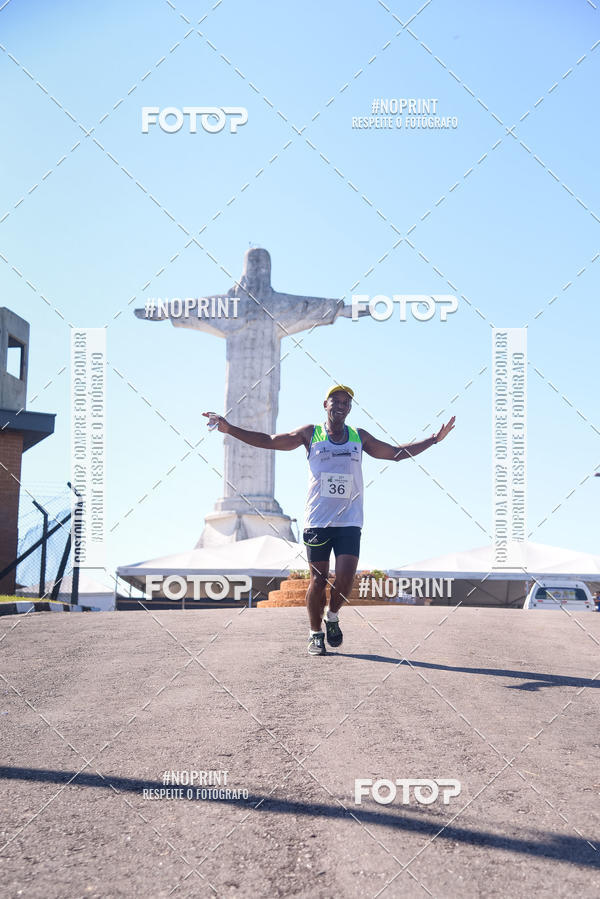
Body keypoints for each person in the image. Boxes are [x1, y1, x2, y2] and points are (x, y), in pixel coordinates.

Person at [203, 386, 455, 656]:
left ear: (350, 408)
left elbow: (395, 453)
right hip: (318, 521)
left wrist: (434, 440)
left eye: (346, 402)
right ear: (325, 404)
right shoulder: (310, 434)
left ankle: (332, 616)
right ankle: (315, 634)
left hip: (349, 520)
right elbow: (269, 440)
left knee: (345, 578)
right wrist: (230, 429)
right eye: (336, 401)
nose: (341, 406)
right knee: (319, 579)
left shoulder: (359, 437)